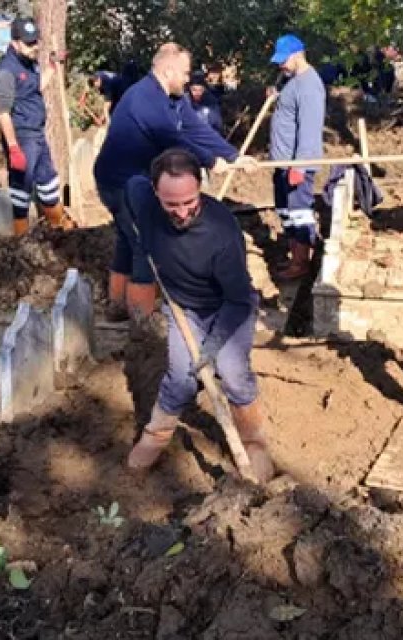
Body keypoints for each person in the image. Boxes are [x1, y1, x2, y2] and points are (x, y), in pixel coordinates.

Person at [124, 149, 275, 482]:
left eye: (189, 202)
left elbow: (237, 300)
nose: (181, 212)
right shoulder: (143, 200)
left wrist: (212, 347)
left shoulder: (222, 232)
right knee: (180, 379)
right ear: (155, 192)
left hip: (228, 307)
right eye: (171, 204)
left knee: (232, 373)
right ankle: (155, 436)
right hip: (184, 310)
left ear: (201, 188)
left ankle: (253, 441)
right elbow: (132, 186)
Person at [93, 43, 255, 320]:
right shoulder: (144, 99)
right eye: (185, 72)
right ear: (168, 71)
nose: (188, 79)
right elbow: (173, 140)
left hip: (137, 179)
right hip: (118, 182)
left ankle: (118, 305)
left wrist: (232, 155)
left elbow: (195, 129)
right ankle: (142, 323)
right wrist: (210, 161)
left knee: (126, 237)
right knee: (144, 242)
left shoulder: (174, 98)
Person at [0, 17, 73, 235]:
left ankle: (59, 229)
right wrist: (13, 147)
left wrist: (53, 67)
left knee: (48, 183)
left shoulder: (29, 62)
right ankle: (22, 240)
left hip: (37, 134)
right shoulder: (6, 72)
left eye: (36, 41)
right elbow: (3, 113)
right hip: (21, 137)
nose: (34, 47)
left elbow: (35, 87)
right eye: (29, 43)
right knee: (21, 193)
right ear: (15, 42)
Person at [268, 34, 326, 281]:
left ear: (298, 55)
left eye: (284, 60)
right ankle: (296, 259)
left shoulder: (309, 85)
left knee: (299, 212)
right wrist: (275, 96)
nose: (281, 65)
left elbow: (310, 128)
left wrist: (300, 166)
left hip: (296, 164)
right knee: (286, 211)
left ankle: (302, 264)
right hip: (282, 162)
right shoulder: (292, 81)